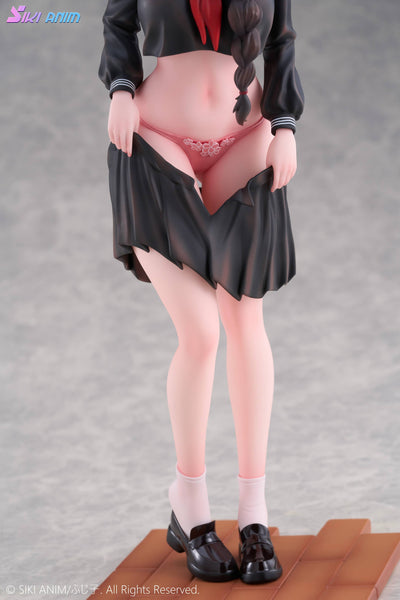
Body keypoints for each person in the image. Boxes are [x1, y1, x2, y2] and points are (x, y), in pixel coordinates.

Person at [99, 0, 304, 585]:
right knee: (200, 333)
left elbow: (281, 38)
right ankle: (189, 499)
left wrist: (285, 125)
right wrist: (120, 87)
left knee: (245, 323)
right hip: (156, 137)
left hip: (246, 136)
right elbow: (118, 21)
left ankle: (254, 513)